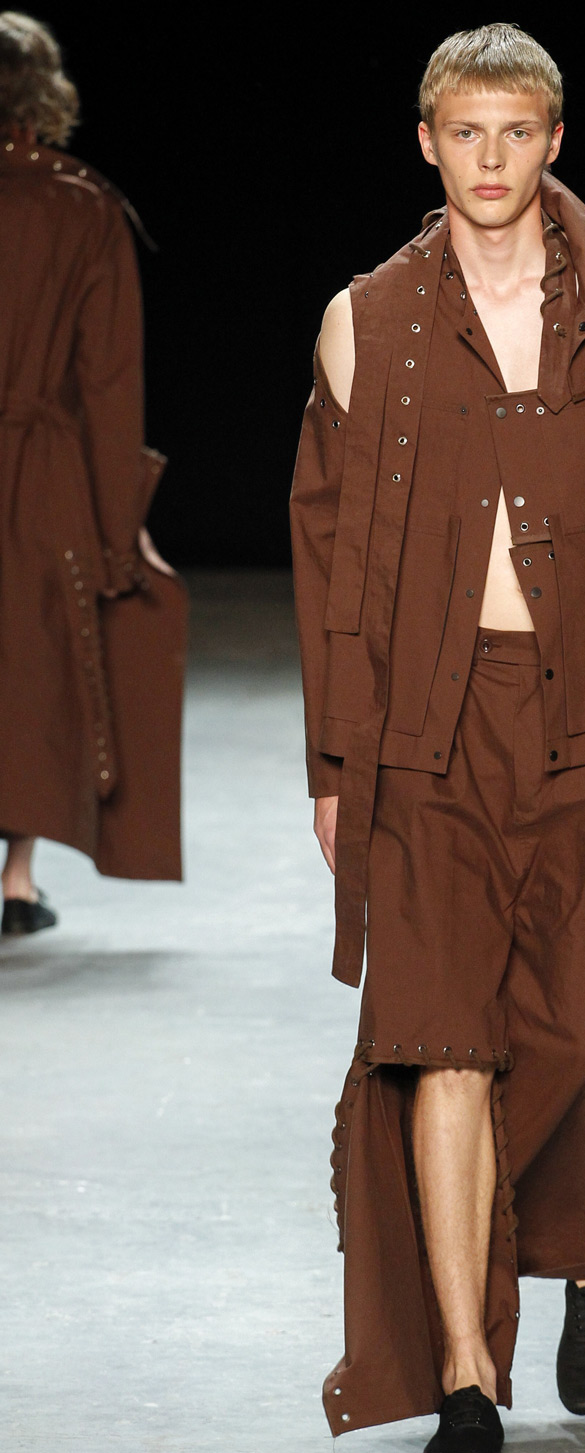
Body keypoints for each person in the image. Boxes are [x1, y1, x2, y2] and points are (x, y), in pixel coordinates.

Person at [289, 23, 585, 1453]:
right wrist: (334, 763)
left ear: (555, 141)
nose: (491, 160)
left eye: (517, 132)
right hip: (423, 729)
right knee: (440, 1042)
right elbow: (327, 556)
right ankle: (467, 1373)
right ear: (427, 142)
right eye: (465, 133)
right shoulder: (366, 319)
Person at [0, 11, 185, 935]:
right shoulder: (83, 207)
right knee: (28, 664)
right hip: (41, 474)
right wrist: (120, 534)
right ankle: (16, 879)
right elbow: (108, 384)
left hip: (36, 455)